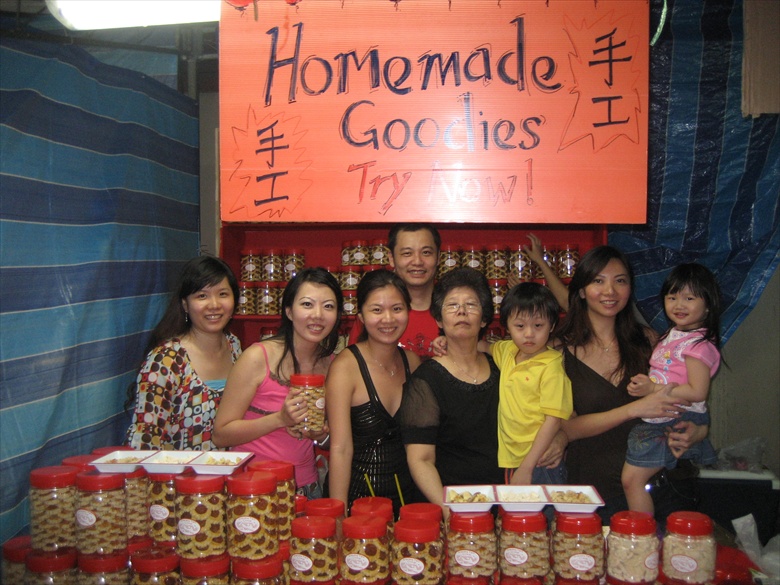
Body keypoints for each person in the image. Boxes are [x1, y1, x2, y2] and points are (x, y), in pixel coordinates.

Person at [547, 245, 709, 523]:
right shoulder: (558, 350)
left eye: (620, 281)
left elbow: (687, 395)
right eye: (598, 280)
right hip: (592, 496)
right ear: (582, 290)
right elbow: (567, 427)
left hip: (662, 488)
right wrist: (635, 409)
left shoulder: (649, 341)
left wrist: (699, 430)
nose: (610, 291)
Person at [212, 268, 342, 498]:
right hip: (256, 490)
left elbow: (334, 440)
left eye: (328, 306)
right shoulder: (257, 357)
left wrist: (320, 435)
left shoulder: (332, 363)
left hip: (307, 488)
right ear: (289, 311)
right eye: (307, 304)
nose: (318, 315)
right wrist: (279, 419)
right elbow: (221, 434)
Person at [397, 268, 504, 510]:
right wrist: (448, 510)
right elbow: (421, 459)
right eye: (452, 305)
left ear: (485, 318)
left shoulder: (502, 367)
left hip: (501, 499)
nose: (462, 311)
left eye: (472, 305)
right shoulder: (425, 380)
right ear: (439, 319)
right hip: (448, 504)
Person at [622, 263, 721, 514]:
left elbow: (698, 391)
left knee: (632, 480)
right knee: (633, 480)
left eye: (689, 298)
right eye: (672, 297)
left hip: (677, 414)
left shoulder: (697, 345)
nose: (679, 304)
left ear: (708, 305)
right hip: (667, 412)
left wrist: (653, 389)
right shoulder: (673, 335)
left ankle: (641, 537)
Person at [325, 270, 423, 515]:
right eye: (377, 310)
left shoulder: (413, 363)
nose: (388, 319)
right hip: (357, 504)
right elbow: (340, 448)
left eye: (397, 309)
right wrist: (339, 516)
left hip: (406, 502)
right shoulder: (345, 367)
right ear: (361, 316)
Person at [125, 255, 242, 451]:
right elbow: (145, 439)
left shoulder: (234, 346)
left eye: (222, 294)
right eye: (202, 296)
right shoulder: (166, 360)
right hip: (181, 478)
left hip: (231, 474)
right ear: (185, 305)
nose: (214, 304)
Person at [491, 282, 573, 485]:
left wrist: (528, 466)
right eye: (520, 326)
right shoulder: (507, 351)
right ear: (507, 325)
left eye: (538, 325)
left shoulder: (552, 367)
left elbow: (553, 420)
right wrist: (446, 343)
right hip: (512, 458)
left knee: (541, 515)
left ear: (552, 325)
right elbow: (482, 347)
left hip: (540, 461)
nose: (528, 334)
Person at [349, 224, 441, 358]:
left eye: (426, 252)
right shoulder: (374, 314)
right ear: (391, 258)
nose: (417, 261)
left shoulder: (455, 311)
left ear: (438, 257)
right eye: (407, 253)